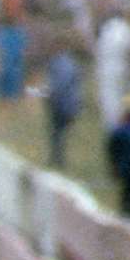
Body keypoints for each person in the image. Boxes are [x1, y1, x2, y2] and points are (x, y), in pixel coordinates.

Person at [42, 38, 85, 169]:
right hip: (66, 103)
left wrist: (49, 93)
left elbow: (60, 84)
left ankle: (57, 159)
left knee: (57, 132)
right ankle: (56, 158)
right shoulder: (67, 61)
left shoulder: (63, 63)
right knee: (57, 133)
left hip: (63, 103)